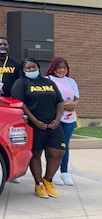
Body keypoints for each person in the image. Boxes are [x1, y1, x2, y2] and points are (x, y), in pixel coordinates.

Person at [11, 58, 65, 199]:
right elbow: (21, 104)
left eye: (33, 67)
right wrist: (35, 121)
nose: (31, 69)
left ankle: (48, 180)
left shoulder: (48, 82)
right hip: (33, 125)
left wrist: (57, 119)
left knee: (58, 152)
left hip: (53, 124)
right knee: (35, 154)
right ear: (23, 70)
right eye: (27, 68)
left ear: (38, 67)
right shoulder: (21, 83)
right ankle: (39, 183)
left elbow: (59, 101)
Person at [46, 57, 80, 186]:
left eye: (64, 68)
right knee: (53, 146)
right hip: (56, 118)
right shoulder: (48, 80)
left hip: (69, 118)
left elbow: (76, 99)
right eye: (59, 67)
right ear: (53, 68)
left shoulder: (71, 81)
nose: (61, 70)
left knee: (65, 145)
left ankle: (64, 172)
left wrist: (73, 104)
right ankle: (52, 173)